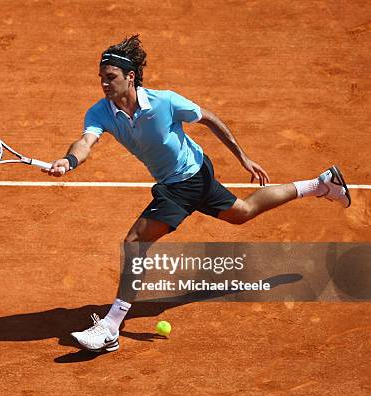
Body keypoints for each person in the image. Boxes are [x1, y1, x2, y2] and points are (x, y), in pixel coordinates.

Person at [43, 35, 351, 353]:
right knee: (242, 212)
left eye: (111, 78)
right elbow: (85, 142)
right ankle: (323, 183)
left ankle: (110, 327)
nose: (104, 85)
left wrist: (243, 158)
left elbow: (210, 119)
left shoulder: (165, 102)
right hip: (192, 174)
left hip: (185, 182)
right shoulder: (100, 112)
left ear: (130, 77)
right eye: (101, 79)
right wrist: (69, 160)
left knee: (135, 242)